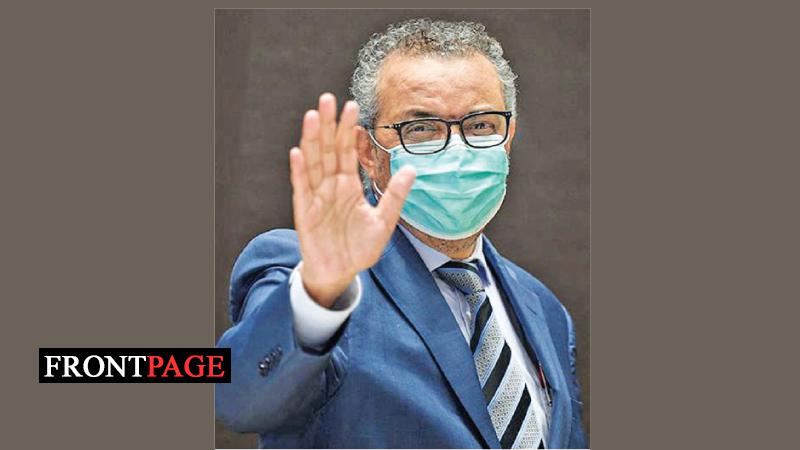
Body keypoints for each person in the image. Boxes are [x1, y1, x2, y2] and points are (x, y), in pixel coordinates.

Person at [216, 18, 587, 449]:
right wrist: (318, 293)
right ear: (368, 152)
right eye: (421, 129)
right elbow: (238, 399)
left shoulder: (545, 310)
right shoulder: (312, 274)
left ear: (508, 138)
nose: (458, 149)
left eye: (481, 125)